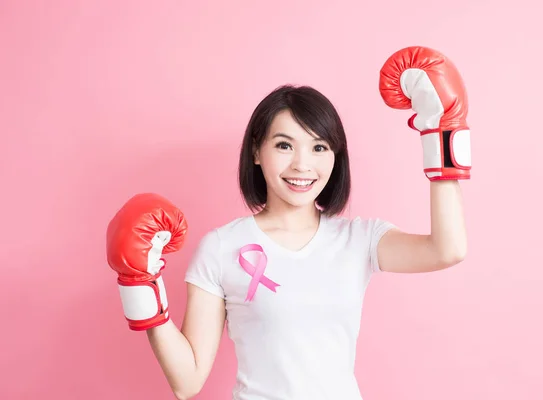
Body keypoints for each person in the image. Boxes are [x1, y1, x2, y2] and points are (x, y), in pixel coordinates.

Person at [106, 46, 470, 400]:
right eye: (284, 145)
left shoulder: (359, 239)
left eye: (319, 147)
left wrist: (443, 135)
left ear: (335, 156)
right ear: (255, 151)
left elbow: (447, 250)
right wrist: (139, 286)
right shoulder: (221, 248)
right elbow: (187, 383)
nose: (302, 165)